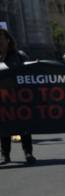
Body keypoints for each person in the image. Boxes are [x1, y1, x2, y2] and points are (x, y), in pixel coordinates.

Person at [0, 22, 35, 164]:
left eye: (0, 38)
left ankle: (28, 153)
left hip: (19, 98)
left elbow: (31, 73)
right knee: (3, 127)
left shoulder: (19, 56)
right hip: (2, 100)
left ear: (8, 40)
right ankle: (5, 155)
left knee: (24, 127)